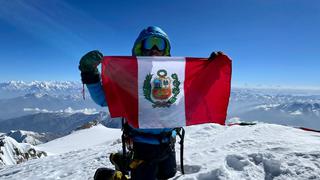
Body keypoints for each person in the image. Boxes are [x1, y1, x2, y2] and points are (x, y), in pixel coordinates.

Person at [79, 26, 222, 180]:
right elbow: (103, 98)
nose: (155, 49)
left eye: (159, 44)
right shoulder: (128, 77)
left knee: (168, 174)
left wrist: (211, 72)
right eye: (149, 44)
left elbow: (192, 96)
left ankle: (122, 160)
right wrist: (90, 74)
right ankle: (114, 175)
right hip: (142, 144)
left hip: (168, 141)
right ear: (140, 47)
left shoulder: (174, 76)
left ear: (165, 49)